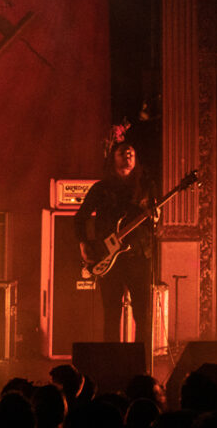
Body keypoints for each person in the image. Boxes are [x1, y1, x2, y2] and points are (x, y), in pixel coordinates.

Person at [74, 142, 158, 348]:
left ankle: (142, 367)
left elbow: (153, 221)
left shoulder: (147, 187)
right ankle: (111, 364)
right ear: (113, 159)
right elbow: (80, 217)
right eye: (122, 152)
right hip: (108, 257)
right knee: (111, 314)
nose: (127, 154)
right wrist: (84, 244)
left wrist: (156, 218)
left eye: (131, 151)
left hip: (139, 255)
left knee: (143, 315)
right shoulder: (101, 189)